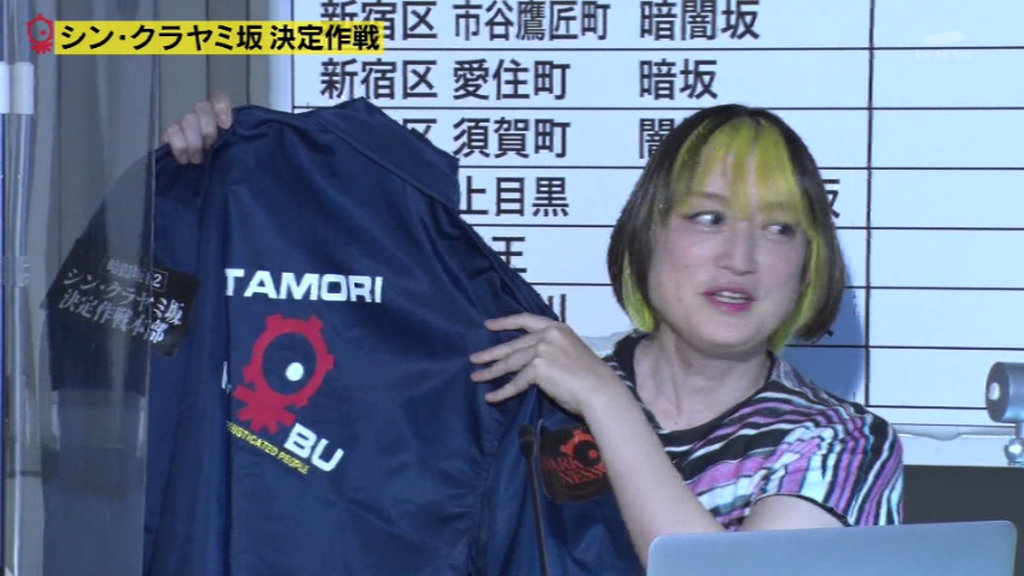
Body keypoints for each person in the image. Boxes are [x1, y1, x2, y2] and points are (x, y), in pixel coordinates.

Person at [165, 97, 904, 570]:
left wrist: (604, 403)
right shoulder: (527, 388)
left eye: (781, 229)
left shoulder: (841, 444)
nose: (741, 257)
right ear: (648, 234)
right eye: (707, 217)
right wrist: (230, 165)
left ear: (810, 264)